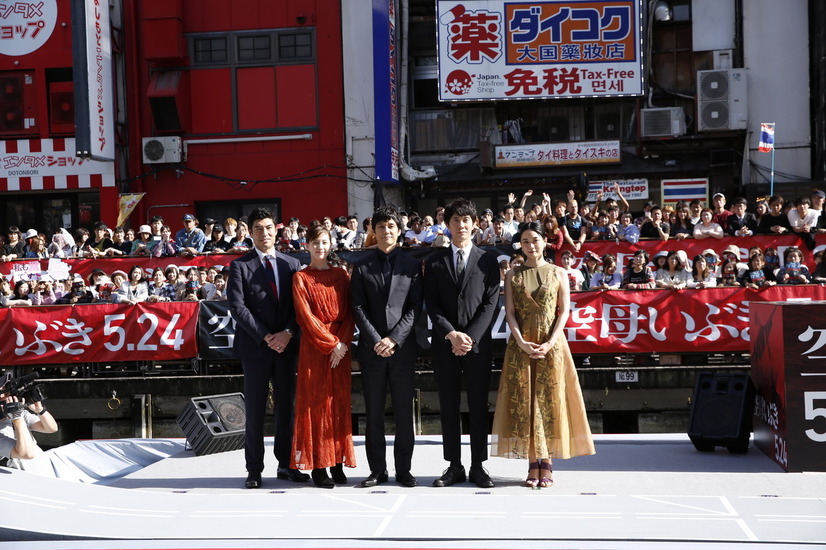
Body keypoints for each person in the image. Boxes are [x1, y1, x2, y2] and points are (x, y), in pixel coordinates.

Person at [491, 221, 595, 488]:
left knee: (549, 401)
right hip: (522, 346)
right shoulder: (512, 274)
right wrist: (522, 342)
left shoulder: (559, 273)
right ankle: (531, 464)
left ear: (544, 242)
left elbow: (564, 312)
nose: (531, 246)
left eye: (535, 240)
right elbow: (510, 314)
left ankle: (546, 463)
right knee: (526, 403)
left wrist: (549, 343)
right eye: (525, 241)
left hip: (552, 345)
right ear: (520, 245)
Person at [227, 207, 308, 489]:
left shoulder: (291, 264)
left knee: (287, 408)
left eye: (269, 227)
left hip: (287, 347)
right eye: (258, 229)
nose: (265, 233)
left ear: (278, 230)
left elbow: (300, 306)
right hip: (256, 348)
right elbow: (238, 307)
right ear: (250, 233)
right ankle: (254, 469)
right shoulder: (240, 266)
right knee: (256, 411)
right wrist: (266, 337)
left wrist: (286, 333)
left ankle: (286, 465)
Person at [423, 198, 500, 488]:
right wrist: (451, 334)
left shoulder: (487, 259)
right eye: (456, 221)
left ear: (475, 223)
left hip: (477, 347)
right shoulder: (434, 262)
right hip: (445, 345)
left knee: (479, 405)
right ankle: (453, 465)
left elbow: (491, 302)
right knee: (448, 405)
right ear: (448, 225)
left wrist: (470, 337)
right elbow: (431, 303)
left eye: (466, 220)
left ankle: (478, 466)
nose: (461, 225)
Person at [350, 206, 422, 488]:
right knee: (374, 413)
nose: (386, 231)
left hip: (402, 350)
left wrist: (393, 339)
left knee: (404, 412)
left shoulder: (412, 265)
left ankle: (404, 469)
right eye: (381, 227)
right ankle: (377, 470)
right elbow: (357, 306)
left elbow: (416, 307)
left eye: (391, 226)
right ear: (374, 231)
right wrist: (375, 339)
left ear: (399, 230)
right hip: (372, 351)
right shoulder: (363, 265)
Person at [290, 221, 356, 489]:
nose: (320, 247)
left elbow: (351, 312)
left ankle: (337, 461)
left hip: (341, 348)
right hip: (316, 349)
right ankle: (318, 465)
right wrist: (332, 345)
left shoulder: (341, 275)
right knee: (315, 405)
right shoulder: (301, 278)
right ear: (307, 245)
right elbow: (305, 318)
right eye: (315, 242)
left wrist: (342, 344)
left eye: (324, 242)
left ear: (331, 245)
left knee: (338, 403)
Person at [0, 380, 58, 468]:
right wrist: (16, 418)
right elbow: (27, 454)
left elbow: (51, 428)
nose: (8, 394)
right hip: (26, 478)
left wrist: (40, 410)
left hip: (44, 467)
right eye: (3, 389)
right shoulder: (17, 416)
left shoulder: (21, 414)